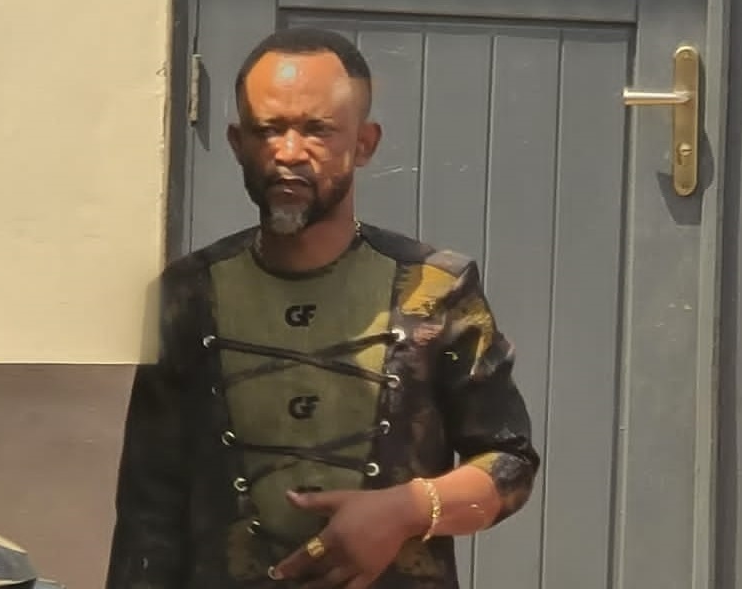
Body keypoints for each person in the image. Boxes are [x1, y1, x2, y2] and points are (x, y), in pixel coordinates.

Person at [105, 27, 539, 589]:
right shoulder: (188, 295)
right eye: (268, 129)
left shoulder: (435, 289)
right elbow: (148, 509)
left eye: (316, 130)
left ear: (364, 144)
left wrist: (407, 509)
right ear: (237, 143)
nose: (288, 152)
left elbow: (508, 463)